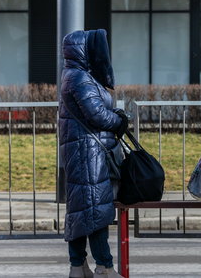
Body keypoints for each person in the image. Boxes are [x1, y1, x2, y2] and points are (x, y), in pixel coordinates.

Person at [59, 29, 127, 278]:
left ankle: (78, 266)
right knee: (95, 210)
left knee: (82, 209)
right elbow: (96, 114)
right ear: (83, 50)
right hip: (89, 152)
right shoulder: (80, 78)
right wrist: (119, 121)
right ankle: (104, 267)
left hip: (84, 149)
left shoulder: (76, 75)